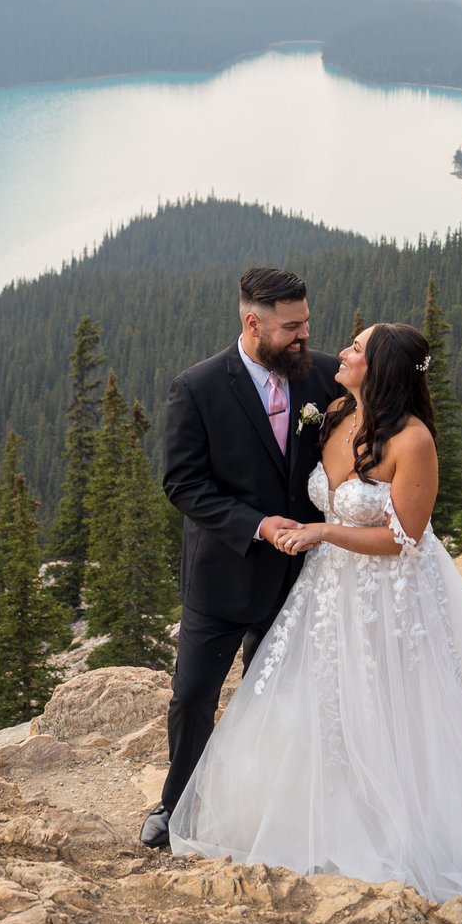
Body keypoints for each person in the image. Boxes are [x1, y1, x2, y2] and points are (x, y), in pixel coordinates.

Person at [165, 320, 462, 911]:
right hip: (327, 590)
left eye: (356, 347)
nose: (341, 350)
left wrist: (323, 531)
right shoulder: (333, 411)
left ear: (378, 368)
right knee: (322, 700)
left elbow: (403, 538)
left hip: (390, 595)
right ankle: (318, 816)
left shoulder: (413, 440)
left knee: (389, 701)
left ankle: (409, 827)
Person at [140, 266, 343, 850]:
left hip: (297, 577)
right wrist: (256, 525)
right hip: (222, 577)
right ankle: (176, 804)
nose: (304, 335)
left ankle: (266, 808)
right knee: (192, 698)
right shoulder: (197, 388)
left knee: (276, 698)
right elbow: (183, 484)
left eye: (306, 322)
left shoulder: (324, 375)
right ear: (253, 324)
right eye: (291, 327)